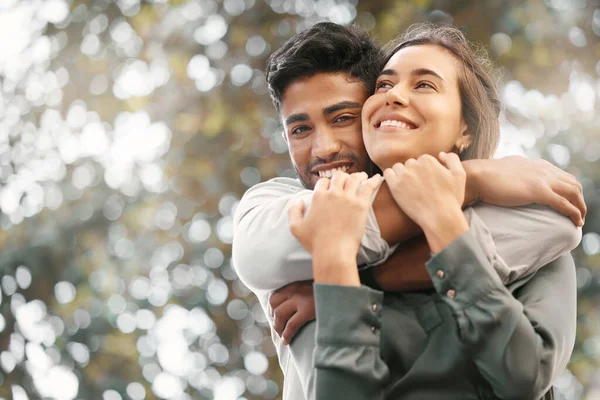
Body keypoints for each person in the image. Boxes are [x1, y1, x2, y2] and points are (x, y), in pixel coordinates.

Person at [232, 22, 585, 400]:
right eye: (300, 130)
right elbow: (262, 252)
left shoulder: (529, 219)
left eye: (342, 118)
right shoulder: (271, 206)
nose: (323, 149)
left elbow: (558, 222)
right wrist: (472, 177)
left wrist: (341, 282)